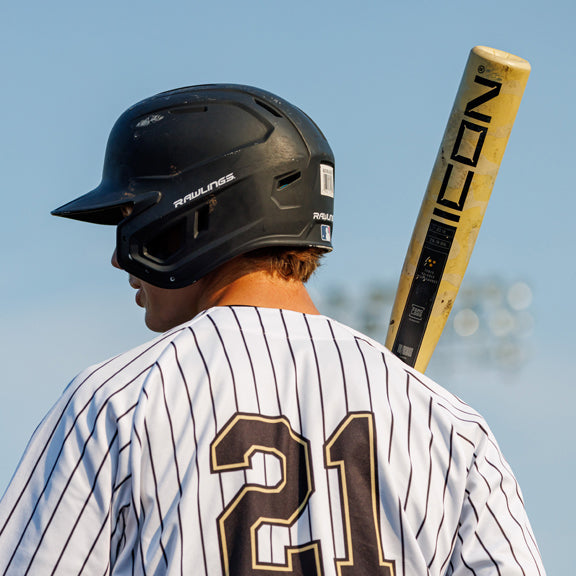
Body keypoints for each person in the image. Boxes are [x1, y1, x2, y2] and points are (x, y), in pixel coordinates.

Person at [0, 84, 545, 576]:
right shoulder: (446, 426)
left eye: (130, 216)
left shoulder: (116, 402)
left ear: (193, 219)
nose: (119, 261)